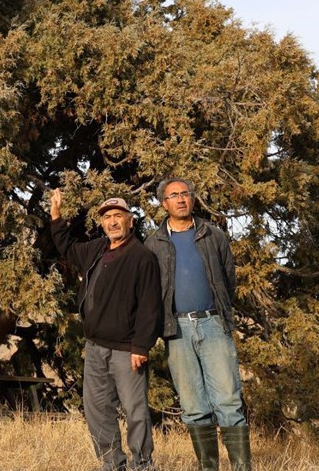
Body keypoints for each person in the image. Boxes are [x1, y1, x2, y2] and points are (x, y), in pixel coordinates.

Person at [50, 189, 162, 471]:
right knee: (98, 412)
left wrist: (141, 346)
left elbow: (150, 306)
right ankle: (112, 465)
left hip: (127, 351)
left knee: (136, 413)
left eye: (118, 216)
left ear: (130, 221)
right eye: (108, 217)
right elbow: (68, 247)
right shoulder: (97, 249)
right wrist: (56, 215)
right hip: (95, 347)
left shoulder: (142, 257)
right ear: (102, 223)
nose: (113, 222)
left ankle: (143, 465)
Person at [143, 178, 251, 471]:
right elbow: (151, 291)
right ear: (164, 204)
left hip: (214, 324)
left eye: (185, 194)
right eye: (173, 195)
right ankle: (208, 467)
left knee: (228, 401)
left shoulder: (213, 235)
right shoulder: (153, 244)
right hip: (176, 331)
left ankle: (242, 467)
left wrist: (220, 314)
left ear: (193, 198)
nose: (181, 199)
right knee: (194, 406)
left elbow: (229, 280)